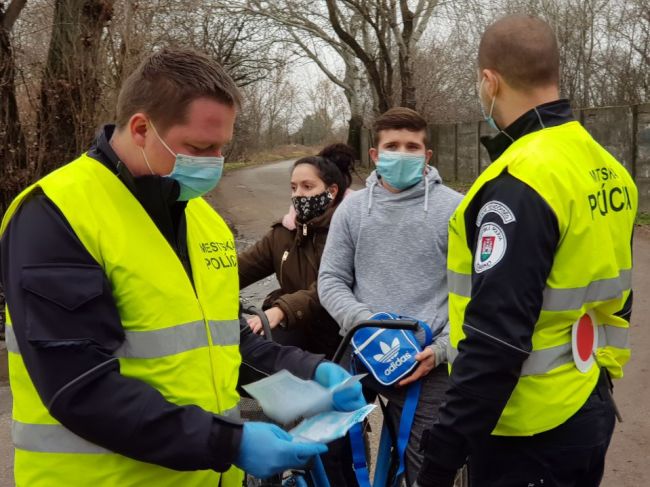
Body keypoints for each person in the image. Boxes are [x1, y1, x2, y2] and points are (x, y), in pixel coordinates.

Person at [0, 47, 366, 487]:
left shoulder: (200, 217)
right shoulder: (56, 215)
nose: (214, 162)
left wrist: (307, 371)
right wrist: (230, 444)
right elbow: (78, 385)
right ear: (140, 128)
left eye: (222, 148)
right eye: (200, 147)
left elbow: (224, 341)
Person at [415, 15, 637, 487]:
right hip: (588, 402)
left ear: (489, 81)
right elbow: (620, 298)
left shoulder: (518, 183)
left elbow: (496, 341)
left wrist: (439, 459)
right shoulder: (608, 167)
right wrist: (601, 381)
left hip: (526, 430)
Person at [318, 107, 463, 485]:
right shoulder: (350, 210)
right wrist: (367, 325)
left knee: (428, 466)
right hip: (361, 350)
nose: (402, 153)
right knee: (330, 452)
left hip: (428, 360)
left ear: (427, 156)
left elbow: (472, 294)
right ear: (375, 155)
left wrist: (443, 349)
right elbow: (331, 279)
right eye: (392, 145)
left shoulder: (455, 209)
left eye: (412, 146)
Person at [238, 143, 358, 486]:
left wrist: (278, 310)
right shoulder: (283, 234)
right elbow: (235, 270)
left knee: (331, 439)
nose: (298, 195)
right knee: (254, 386)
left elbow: (329, 288)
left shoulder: (346, 231)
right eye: (293, 188)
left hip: (336, 337)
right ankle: (268, 464)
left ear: (331, 191)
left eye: (308, 187)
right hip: (295, 334)